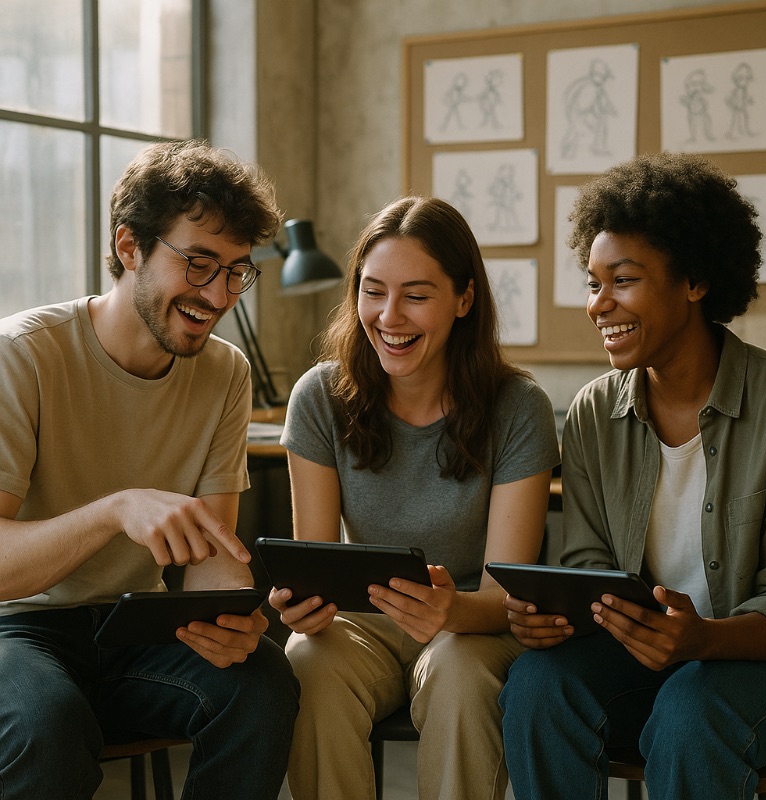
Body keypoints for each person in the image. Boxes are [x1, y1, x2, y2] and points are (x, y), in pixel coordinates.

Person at [0, 139, 299, 800]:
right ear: (129, 246)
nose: (218, 294)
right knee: (45, 722)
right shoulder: (21, 355)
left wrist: (230, 615)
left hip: (136, 628)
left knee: (263, 685)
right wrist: (115, 510)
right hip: (16, 630)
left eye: (235, 271)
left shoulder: (226, 373)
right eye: (198, 264)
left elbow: (209, 553)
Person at [500, 151, 766, 800]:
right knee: (535, 683)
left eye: (623, 280)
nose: (598, 304)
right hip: (645, 661)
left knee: (693, 707)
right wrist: (551, 618)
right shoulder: (590, 414)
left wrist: (704, 640)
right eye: (592, 282)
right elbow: (586, 563)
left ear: (693, 280)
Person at [268, 196, 560, 800]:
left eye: (417, 295)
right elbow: (319, 565)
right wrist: (301, 606)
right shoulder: (320, 396)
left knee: (456, 674)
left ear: (464, 298)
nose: (389, 316)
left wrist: (451, 612)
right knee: (305, 660)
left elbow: (505, 595)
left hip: (473, 624)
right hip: (363, 623)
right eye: (373, 291)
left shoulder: (518, 408)